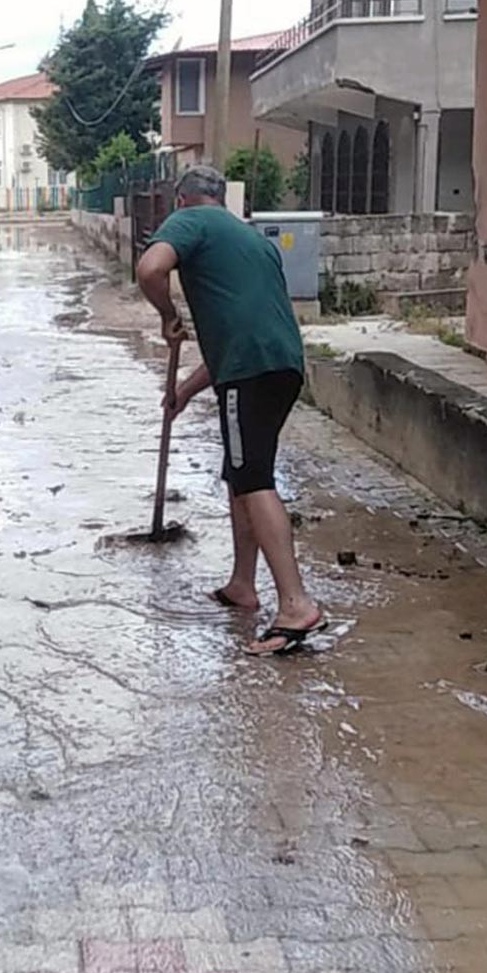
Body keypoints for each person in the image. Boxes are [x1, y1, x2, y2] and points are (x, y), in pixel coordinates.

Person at [135, 164, 323, 656]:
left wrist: (169, 316)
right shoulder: (253, 240)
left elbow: (149, 269)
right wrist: (186, 392)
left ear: (182, 200)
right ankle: (243, 584)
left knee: (254, 479)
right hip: (280, 367)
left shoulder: (189, 221)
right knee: (240, 474)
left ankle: (295, 605)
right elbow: (240, 335)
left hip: (249, 371)